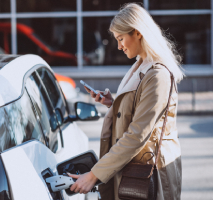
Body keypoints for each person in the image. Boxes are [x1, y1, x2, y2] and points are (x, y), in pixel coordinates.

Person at [68, 3, 183, 200]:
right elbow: (139, 114)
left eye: (121, 39)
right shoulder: (141, 66)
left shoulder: (158, 75)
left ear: (138, 33)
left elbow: (137, 134)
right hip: (134, 169)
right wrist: (114, 104)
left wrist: (94, 175)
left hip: (147, 173)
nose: (119, 46)